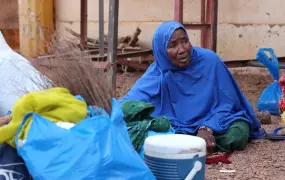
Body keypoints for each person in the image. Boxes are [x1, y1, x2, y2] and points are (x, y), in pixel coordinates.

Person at [118, 21, 262, 153]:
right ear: (162, 51)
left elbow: (227, 103)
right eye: (173, 45)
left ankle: (188, 145)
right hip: (174, 126)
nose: (182, 50)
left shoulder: (209, 61)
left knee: (237, 134)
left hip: (214, 121)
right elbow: (129, 103)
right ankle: (193, 145)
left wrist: (207, 128)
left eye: (185, 41)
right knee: (137, 130)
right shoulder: (158, 72)